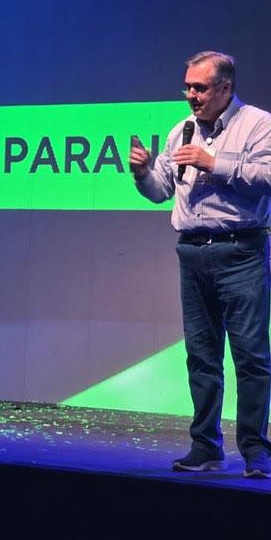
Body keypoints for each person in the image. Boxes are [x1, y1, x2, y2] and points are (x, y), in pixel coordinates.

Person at [130, 51, 271, 479]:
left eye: (200, 88)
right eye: (188, 87)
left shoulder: (258, 124)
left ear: (225, 88)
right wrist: (141, 173)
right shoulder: (182, 131)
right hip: (192, 253)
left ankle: (256, 449)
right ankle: (205, 446)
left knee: (250, 356)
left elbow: (268, 177)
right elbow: (161, 190)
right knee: (202, 356)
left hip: (240, 251)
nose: (191, 95)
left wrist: (215, 163)